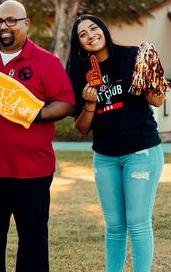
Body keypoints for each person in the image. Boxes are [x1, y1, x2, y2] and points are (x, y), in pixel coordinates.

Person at [0, 0, 74, 272]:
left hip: (33, 172)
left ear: (26, 23)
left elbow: (65, 103)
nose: (4, 26)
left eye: (12, 20)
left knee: (33, 242)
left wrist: (34, 113)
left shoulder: (46, 62)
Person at [66, 14, 165, 272]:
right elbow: (81, 128)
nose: (90, 35)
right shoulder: (79, 72)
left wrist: (151, 72)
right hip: (105, 156)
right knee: (114, 226)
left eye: (93, 28)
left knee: (138, 222)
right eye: (82, 34)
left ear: (104, 29)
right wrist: (89, 103)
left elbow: (156, 101)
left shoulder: (131, 56)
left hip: (140, 151)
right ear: (79, 43)